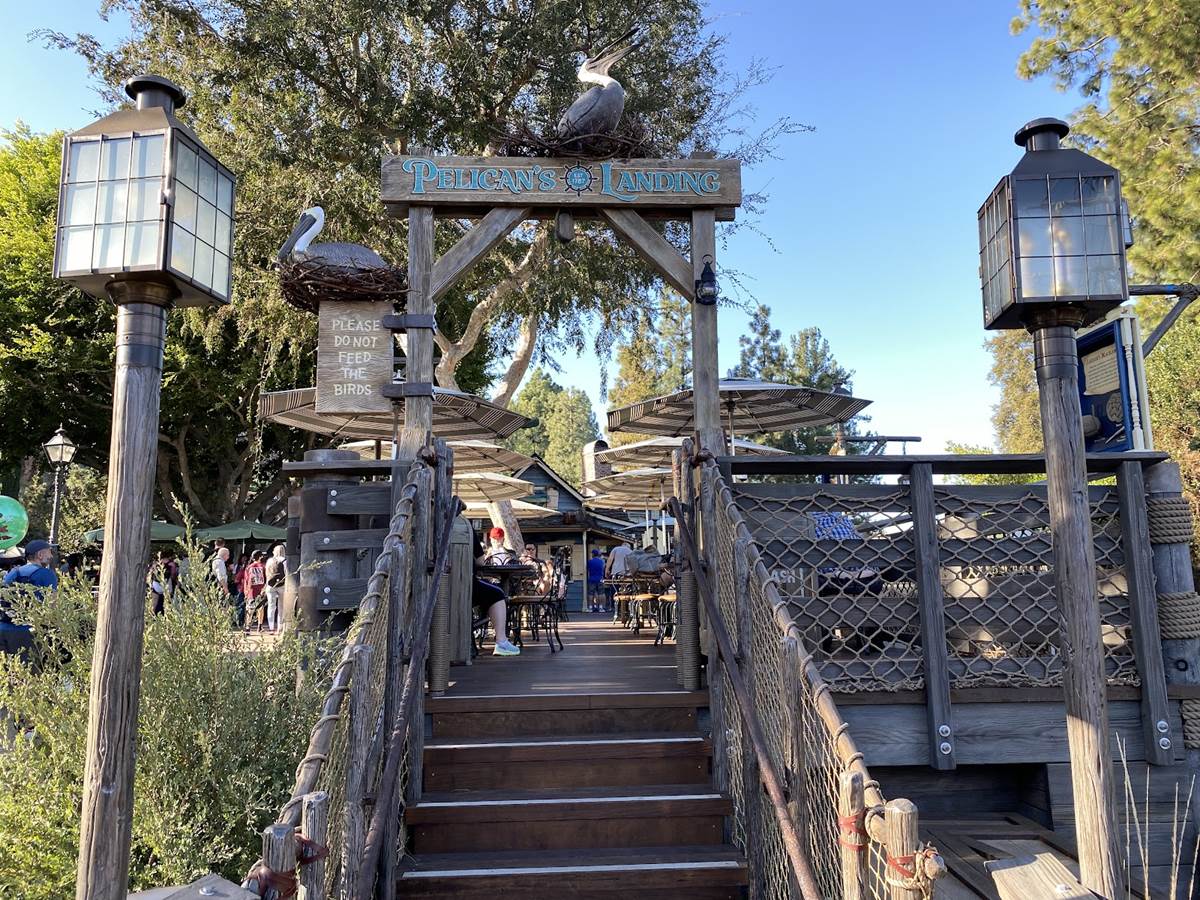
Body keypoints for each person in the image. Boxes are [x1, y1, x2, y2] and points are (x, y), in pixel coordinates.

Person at [1, 540, 58, 657]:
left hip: (4, 627)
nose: (51, 556)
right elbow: (52, 604)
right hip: (30, 632)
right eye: (49, 552)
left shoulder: (13, 572)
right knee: (32, 667)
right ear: (40, 555)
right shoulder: (46, 574)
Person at [263, 544, 288, 633]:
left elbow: (266, 573)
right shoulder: (285, 561)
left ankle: (271, 627)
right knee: (281, 607)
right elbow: (287, 573)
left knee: (271, 606)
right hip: (282, 585)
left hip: (270, 585)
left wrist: (267, 584)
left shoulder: (269, 560)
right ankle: (279, 627)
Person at [586, 548, 606, 613]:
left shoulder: (590, 562)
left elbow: (588, 569)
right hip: (600, 578)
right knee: (601, 593)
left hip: (592, 578)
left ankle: (590, 608)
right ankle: (601, 607)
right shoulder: (602, 561)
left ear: (593, 554)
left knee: (591, 593)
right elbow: (603, 568)